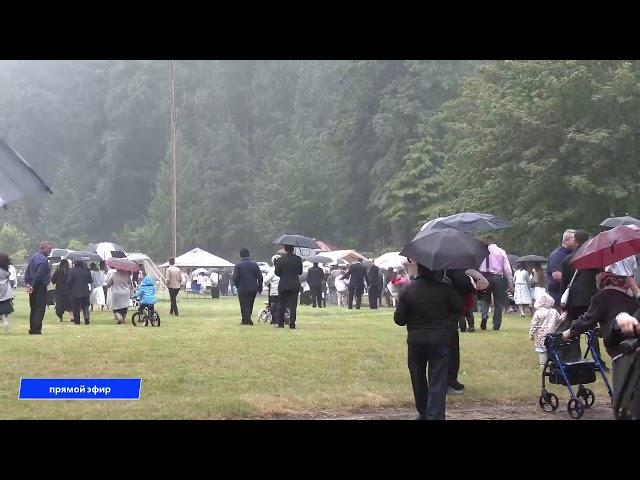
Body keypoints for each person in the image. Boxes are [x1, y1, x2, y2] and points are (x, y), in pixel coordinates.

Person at [394, 263, 463, 420]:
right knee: (438, 378)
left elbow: (399, 319)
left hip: (416, 340)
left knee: (417, 376)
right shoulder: (446, 289)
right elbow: (458, 309)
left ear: (419, 269)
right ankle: (435, 415)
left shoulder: (407, 290)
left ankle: (423, 411)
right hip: (439, 338)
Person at [562, 272, 640, 360]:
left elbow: (587, 319)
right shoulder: (632, 295)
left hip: (618, 345)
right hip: (635, 342)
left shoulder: (602, 297)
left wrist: (570, 331)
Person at [561, 229, 609, 371]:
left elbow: (564, 283)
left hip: (572, 300)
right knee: (592, 332)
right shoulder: (593, 257)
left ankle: (575, 360)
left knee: (573, 330)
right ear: (588, 240)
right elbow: (600, 278)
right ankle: (597, 361)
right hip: (589, 299)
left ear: (575, 241)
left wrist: (562, 303)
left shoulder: (567, 259)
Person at [477, 236, 513, 331]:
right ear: (494, 241)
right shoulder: (501, 252)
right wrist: (510, 281)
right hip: (498, 278)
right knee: (498, 302)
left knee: (485, 299)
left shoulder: (480, 252)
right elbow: (507, 269)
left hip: (484, 277)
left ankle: (484, 315)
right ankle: (496, 325)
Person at [24, 241, 54, 335]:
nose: (50, 250)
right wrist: (33, 285)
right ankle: (36, 330)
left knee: (33, 308)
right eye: (49, 248)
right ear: (43, 248)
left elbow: (28, 271)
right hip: (39, 286)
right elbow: (39, 274)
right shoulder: (43, 260)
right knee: (40, 308)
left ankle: (32, 328)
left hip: (32, 286)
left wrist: (28, 283)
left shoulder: (34, 257)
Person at [529, 292, 562, 368]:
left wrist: (531, 334)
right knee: (551, 348)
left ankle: (543, 364)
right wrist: (563, 316)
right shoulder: (554, 311)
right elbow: (559, 320)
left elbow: (534, 325)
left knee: (542, 350)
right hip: (552, 333)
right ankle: (553, 362)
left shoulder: (538, 313)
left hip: (540, 335)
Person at [546, 229, 577, 310]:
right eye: (574, 240)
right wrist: (575, 284)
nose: (576, 243)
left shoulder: (570, 254)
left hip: (567, 296)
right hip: (559, 297)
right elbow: (557, 275)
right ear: (566, 241)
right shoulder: (558, 255)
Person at [232, 248, 263, 326]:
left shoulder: (238, 265)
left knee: (243, 304)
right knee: (250, 304)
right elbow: (260, 277)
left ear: (240, 255)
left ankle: (246, 320)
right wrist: (260, 287)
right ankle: (247, 319)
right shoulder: (254, 264)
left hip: (242, 288)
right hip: (253, 288)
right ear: (248, 254)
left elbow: (235, 277)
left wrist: (237, 285)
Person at [275, 244, 303, 329]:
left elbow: (276, 272)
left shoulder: (280, 259)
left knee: (281, 304)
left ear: (285, 249)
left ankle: (280, 324)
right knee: (293, 305)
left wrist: (283, 275)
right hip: (294, 284)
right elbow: (300, 272)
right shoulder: (298, 259)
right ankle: (292, 324)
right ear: (293, 249)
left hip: (283, 284)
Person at [67, 260, 92, 325]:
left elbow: (68, 281)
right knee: (86, 306)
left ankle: (77, 320)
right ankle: (86, 318)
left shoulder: (71, 271)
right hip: (85, 291)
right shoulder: (87, 270)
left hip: (75, 291)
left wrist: (70, 288)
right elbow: (90, 280)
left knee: (76, 307)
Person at [0, 253, 15, 334]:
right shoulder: (6, 269)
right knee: (4, 310)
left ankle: (3, 320)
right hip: (6, 291)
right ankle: (5, 321)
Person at [264, 255, 281, 322]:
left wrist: (268, 285)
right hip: (282, 290)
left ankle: (274, 319)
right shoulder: (284, 269)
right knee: (281, 305)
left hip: (273, 291)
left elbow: (266, 281)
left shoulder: (272, 270)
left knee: (273, 305)